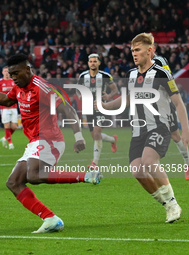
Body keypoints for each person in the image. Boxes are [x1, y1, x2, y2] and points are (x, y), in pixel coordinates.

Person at [0, 53, 102, 234]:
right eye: (11, 75)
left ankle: (86, 175)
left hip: (49, 139)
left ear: (27, 70)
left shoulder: (42, 88)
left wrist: (79, 137)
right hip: (35, 141)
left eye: (16, 73)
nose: (13, 78)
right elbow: (5, 100)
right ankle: (50, 218)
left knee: (34, 175)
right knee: (13, 182)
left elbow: (67, 108)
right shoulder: (18, 88)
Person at [99, 33, 188, 223]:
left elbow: (179, 103)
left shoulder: (161, 73)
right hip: (138, 130)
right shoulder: (132, 74)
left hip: (159, 126)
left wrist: (186, 130)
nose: (134, 53)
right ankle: (167, 205)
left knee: (149, 161)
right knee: (137, 171)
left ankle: (173, 204)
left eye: (138, 50)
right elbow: (127, 99)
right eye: (132, 50)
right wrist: (105, 106)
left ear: (150, 51)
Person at [151, 52, 189, 180]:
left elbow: (169, 78)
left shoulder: (160, 61)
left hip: (165, 105)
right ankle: (156, 172)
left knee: (175, 136)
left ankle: (188, 163)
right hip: (150, 107)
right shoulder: (139, 66)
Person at [77, 53, 118, 169]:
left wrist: (109, 96)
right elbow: (78, 90)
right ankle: (112, 139)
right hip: (88, 108)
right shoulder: (83, 76)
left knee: (97, 132)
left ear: (99, 63)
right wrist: (80, 95)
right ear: (88, 63)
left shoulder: (105, 76)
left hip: (101, 107)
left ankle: (95, 163)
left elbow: (115, 90)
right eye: (91, 61)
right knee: (95, 136)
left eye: (95, 61)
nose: (93, 63)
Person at [0, 66, 18, 149]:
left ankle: (5, 138)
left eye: (8, 71)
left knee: (14, 126)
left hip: (14, 106)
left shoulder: (14, 81)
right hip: (4, 107)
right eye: (5, 71)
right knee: (7, 125)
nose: (6, 73)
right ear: (2, 72)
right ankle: (10, 143)